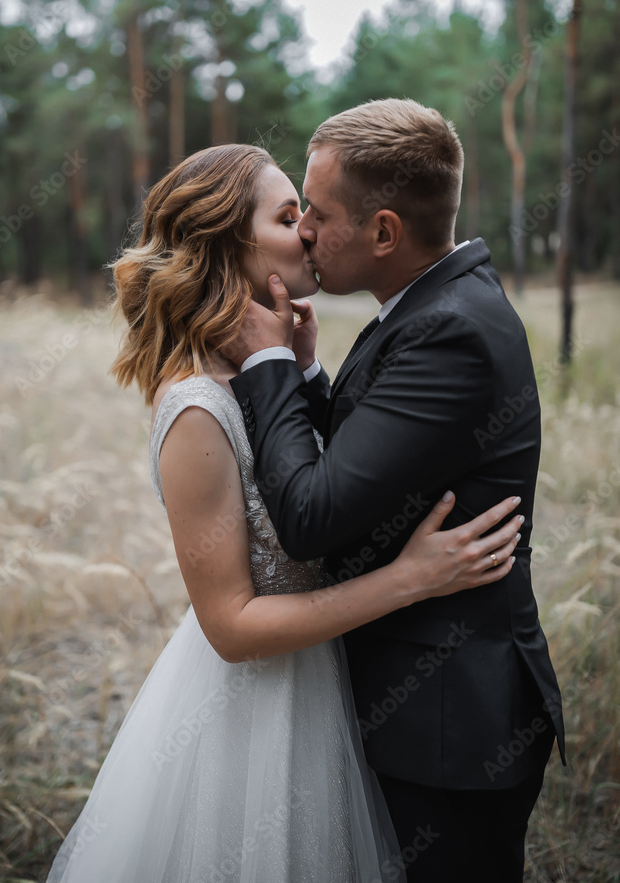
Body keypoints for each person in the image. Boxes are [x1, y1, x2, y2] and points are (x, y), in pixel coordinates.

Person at [44, 142, 524, 883]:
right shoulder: (198, 408)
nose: (306, 231)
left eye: (307, 214)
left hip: (325, 690)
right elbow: (232, 628)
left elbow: (335, 478)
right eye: (287, 215)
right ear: (225, 245)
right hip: (250, 718)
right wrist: (410, 579)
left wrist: (299, 375)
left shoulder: (261, 374)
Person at [225, 100, 566, 883]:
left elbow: (312, 517)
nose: (304, 228)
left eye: (317, 210)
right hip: (423, 709)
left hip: (451, 728)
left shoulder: (448, 329)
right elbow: (375, 469)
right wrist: (309, 375)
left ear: (383, 232)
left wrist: (268, 366)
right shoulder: (423, 306)